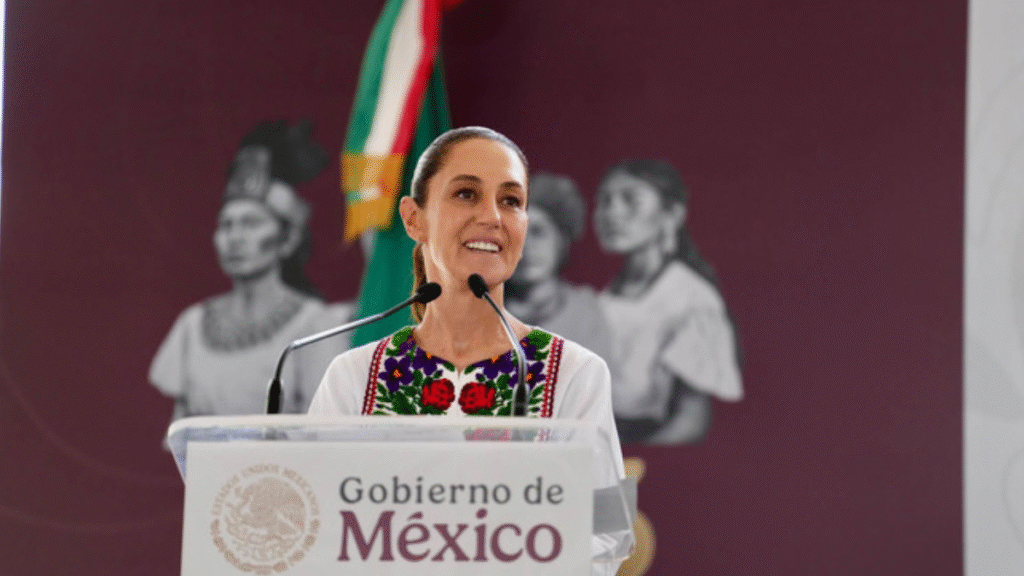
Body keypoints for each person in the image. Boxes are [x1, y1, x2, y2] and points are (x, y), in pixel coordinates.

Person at [307, 127, 626, 573]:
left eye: (511, 200)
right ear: (413, 218)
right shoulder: (354, 376)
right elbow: (314, 523)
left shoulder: (578, 372)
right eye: (466, 194)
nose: (492, 216)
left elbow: (609, 529)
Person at [150, 121, 351, 421]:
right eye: (226, 225)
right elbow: (180, 432)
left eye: (251, 223)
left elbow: (326, 430)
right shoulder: (192, 325)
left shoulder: (315, 324)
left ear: (287, 239)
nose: (235, 238)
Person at [594, 159, 743, 444]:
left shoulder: (692, 299)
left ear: (671, 215)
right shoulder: (608, 293)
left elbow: (691, 418)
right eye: (604, 201)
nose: (612, 213)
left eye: (631, 200)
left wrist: (628, 458)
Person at [505, 173, 615, 367]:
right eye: (515, 234)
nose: (526, 246)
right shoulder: (479, 310)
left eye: (538, 232)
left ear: (561, 240)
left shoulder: (585, 312)